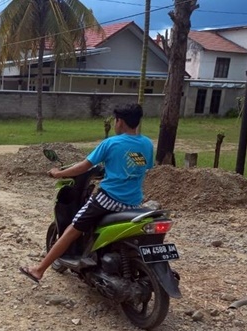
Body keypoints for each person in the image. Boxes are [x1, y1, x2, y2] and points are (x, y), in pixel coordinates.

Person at [19, 103, 154, 283]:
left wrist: (58, 173)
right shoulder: (147, 143)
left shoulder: (111, 143)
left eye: (115, 120)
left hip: (109, 200)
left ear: (119, 122)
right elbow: (143, 167)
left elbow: (84, 166)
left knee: (71, 230)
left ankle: (38, 270)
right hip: (133, 202)